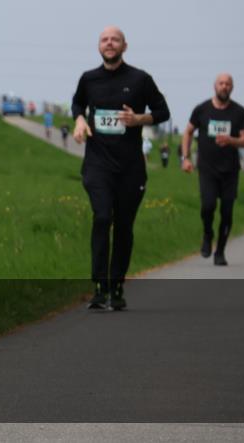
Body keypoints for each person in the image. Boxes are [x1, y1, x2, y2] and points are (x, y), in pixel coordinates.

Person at [72, 26, 170, 310]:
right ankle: (99, 286)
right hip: (97, 165)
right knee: (102, 217)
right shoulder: (88, 79)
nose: (109, 43)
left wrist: (139, 119)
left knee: (124, 226)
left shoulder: (140, 79)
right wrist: (79, 120)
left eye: (115, 39)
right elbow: (78, 102)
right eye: (104, 39)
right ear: (98, 46)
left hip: (130, 168)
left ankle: (117, 285)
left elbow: (163, 112)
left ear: (124, 46)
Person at [180, 73, 244, 266]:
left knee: (227, 213)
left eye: (228, 84)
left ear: (232, 88)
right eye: (221, 83)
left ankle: (220, 251)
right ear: (215, 86)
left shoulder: (239, 112)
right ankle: (207, 233)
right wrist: (185, 158)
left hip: (230, 170)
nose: (224, 87)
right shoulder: (202, 109)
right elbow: (187, 132)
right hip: (207, 168)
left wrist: (231, 140)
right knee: (208, 206)